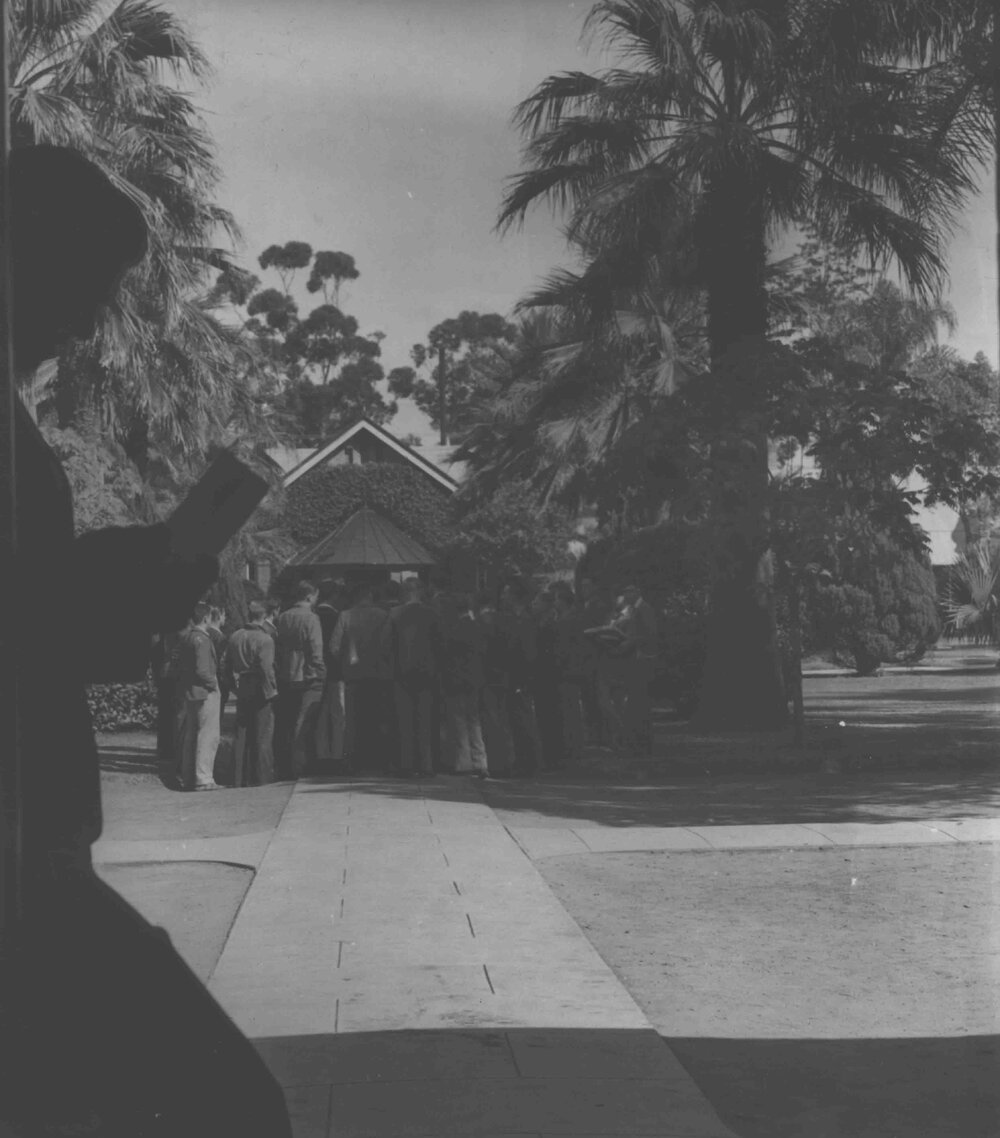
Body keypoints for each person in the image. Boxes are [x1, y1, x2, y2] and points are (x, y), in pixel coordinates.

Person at [4, 145, 291, 1136]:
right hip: (25, 859)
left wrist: (167, 557)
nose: (82, 324)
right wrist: (166, 561)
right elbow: (44, 626)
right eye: (77, 289)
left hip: (38, 842)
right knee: (230, 1107)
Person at [329, 580, 392, 773]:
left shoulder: (345, 616)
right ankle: (376, 760)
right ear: (371, 597)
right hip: (378, 673)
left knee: (353, 720)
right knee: (375, 717)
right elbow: (389, 645)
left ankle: (353, 762)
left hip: (353, 675)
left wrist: (344, 663)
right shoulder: (383, 616)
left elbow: (334, 646)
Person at [386, 577, 439, 777]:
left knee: (404, 720)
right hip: (427, 673)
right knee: (425, 719)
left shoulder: (394, 614)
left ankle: (406, 764)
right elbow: (440, 642)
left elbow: (385, 644)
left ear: (405, 593)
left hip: (401, 673)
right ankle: (426, 765)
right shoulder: (432, 614)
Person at [273, 579, 326, 779]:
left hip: (286, 674)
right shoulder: (311, 618)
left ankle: (285, 765)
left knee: (287, 721)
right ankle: (301, 766)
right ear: (309, 596)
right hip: (307, 676)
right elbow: (315, 649)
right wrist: (320, 672)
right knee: (304, 723)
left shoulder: (283, 617)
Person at [226, 600, 278, 786]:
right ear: (264, 617)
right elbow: (266, 669)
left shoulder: (235, 636)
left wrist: (233, 685)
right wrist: (271, 689)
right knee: (262, 733)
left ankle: (237, 776)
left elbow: (227, 664)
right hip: (259, 684)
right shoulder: (265, 639)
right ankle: (262, 777)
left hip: (243, 683)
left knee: (241, 732)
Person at [439, 591, 488, 776]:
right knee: (475, 721)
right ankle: (481, 761)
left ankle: (463, 762)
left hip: (457, 680)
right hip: (475, 679)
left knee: (459, 721)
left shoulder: (453, 629)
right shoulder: (478, 626)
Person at [177, 602, 222, 792]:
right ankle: (204, 778)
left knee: (192, 735)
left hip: (191, 691)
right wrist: (214, 685)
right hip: (205, 692)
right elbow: (203, 670)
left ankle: (189, 777)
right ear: (205, 618)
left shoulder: (188, 637)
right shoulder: (202, 639)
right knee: (207, 735)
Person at [500, 579, 543, 776]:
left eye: (506, 593)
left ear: (513, 596)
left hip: (520, 679)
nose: (503, 597)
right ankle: (525, 761)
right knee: (519, 720)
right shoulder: (517, 619)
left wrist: (523, 679)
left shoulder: (524, 621)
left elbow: (528, 653)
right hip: (515, 677)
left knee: (524, 719)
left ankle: (530, 762)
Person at [477, 593, 515, 777]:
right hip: (504, 674)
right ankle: (507, 761)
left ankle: (496, 763)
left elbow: (482, 650)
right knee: (503, 718)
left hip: (488, 676)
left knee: (491, 721)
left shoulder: (484, 623)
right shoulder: (504, 621)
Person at [551, 583, 589, 765]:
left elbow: (563, 648)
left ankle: (573, 747)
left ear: (563, 601)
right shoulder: (571, 618)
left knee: (570, 708)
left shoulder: (567, 620)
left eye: (557, 599)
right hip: (572, 669)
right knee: (571, 707)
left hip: (567, 670)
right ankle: (574, 746)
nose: (554, 602)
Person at [314, 579, 348, 772]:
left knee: (320, 715)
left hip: (317, 671)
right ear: (335, 596)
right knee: (337, 715)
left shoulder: (314, 615)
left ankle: (321, 754)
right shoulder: (337, 617)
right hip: (336, 671)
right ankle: (337, 754)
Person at [621, 583, 659, 753]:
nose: (625, 595)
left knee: (640, 701)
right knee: (637, 701)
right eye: (625, 592)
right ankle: (638, 739)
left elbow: (649, 633)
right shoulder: (632, 609)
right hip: (635, 659)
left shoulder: (644, 609)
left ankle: (644, 741)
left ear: (637, 592)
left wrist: (633, 643)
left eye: (629, 592)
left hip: (643, 659)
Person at [206, 605, 230, 729]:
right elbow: (222, 663)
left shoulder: (205, 633)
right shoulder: (220, 638)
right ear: (219, 616)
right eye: (224, 615)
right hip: (217, 681)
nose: (225, 618)